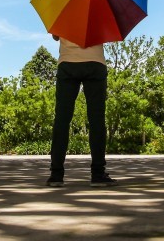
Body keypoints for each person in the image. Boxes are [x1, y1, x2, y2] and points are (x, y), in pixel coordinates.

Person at [46, 35, 118, 187]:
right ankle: (98, 173)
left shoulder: (62, 11)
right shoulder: (102, 12)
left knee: (62, 120)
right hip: (95, 62)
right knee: (97, 120)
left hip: (68, 63)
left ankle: (56, 174)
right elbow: (107, 35)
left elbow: (55, 36)